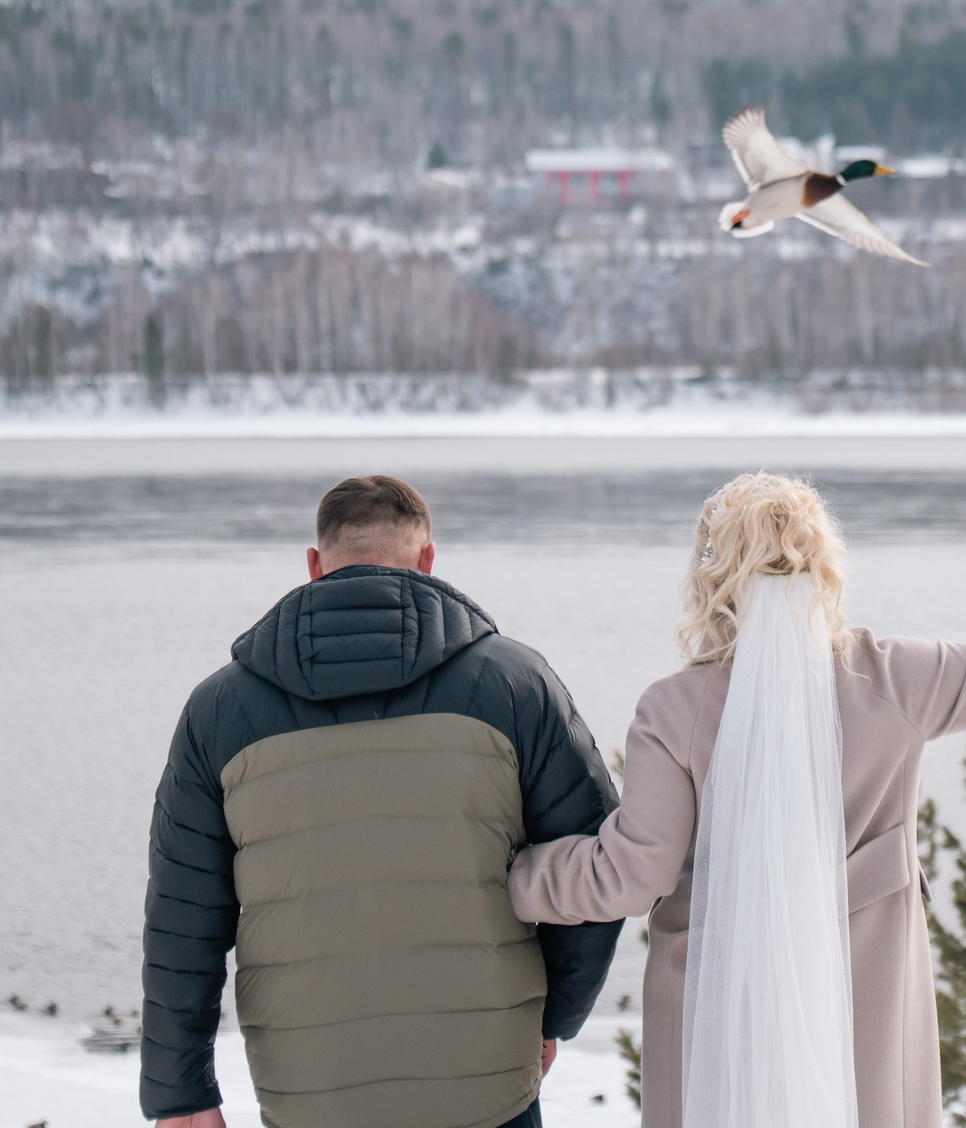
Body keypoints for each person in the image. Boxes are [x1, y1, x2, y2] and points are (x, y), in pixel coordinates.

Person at [508, 471, 966, 1128]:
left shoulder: (673, 710)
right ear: (823, 564)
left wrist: (517, 875)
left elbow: (629, 875)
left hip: (716, 1019)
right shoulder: (893, 679)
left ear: (712, 575)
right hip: (864, 998)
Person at [140, 474, 621, 1128]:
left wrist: (182, 1092)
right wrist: (553, 1016)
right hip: (485, 1079)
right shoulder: (516, 683)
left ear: (315, 565)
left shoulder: (217, 710)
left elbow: (182, 915)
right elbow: (594, 873)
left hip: (308, 1088)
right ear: (427, 560)